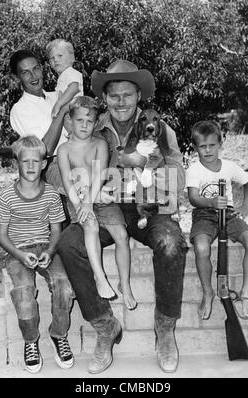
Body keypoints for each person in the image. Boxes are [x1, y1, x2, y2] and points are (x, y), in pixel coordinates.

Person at [57, 60, 187, 374]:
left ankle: (165, 327)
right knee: (69, 244)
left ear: (138, 95)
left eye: (127, 95)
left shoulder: (160, 126)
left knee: (172, 243)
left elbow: (179, 173)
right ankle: (105, 326)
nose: (121, 102)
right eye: (114, 95)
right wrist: (85, 184)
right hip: (104, 207)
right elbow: (55, 169)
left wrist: (146, 169)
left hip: (147, 208)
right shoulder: (89, 124)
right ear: (105, 97)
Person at [0, 136, 74, 373]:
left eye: (35, 161)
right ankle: (30, 341)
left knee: (64, 285)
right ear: (16, 163)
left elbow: (57, 230)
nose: (30, 166)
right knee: (24, 293)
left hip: (45, 247)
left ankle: (58, 335)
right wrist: (19, 255)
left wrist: (50, 251)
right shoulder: (6, 196)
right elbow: (1, 236)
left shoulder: (51, 194)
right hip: (17, 251)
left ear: (43, 164)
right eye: (24, 161)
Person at [57, 95, 137, 309]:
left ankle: (125, 284)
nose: (84, 125)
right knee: (90, 225)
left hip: (98, 197)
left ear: (95, 123)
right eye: (80, 120)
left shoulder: (99, 144)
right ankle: (100, 277)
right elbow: (66, 181)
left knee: (122, 235)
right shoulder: (64, 150)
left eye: (90, 121)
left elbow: (101, 174)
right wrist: (80, 205)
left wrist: (90, 203)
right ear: (70, 121)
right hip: (78, 199)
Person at [186, 121, 248, 321]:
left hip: (227, 214)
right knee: (201, 248)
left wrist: (244, 208)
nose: (208, 150)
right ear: (195, 148)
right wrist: (210, 201)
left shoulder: (229, 167)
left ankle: (246, 294)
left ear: (220, 144)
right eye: (202, 146)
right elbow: (193, 198)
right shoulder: (194, 169)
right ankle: (208, 292)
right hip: (204, 214)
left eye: (212, 145)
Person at [9, 50, 69, 189]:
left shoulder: (57, 96)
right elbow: (45, 150)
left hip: (81, 156)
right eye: (25, 72)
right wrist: (62, 111)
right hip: (54, 167)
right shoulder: (20, 109)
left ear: (42, 69)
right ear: (16, 78)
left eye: (36, 68)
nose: (33, 76)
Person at [46, 38, 84, 118]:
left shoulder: (70, 72)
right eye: (52, 58)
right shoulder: (63, 77)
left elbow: (73, 88)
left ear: (72, 58)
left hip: (75, 114)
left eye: (60, 56)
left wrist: (58, 104)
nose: (56, 60)